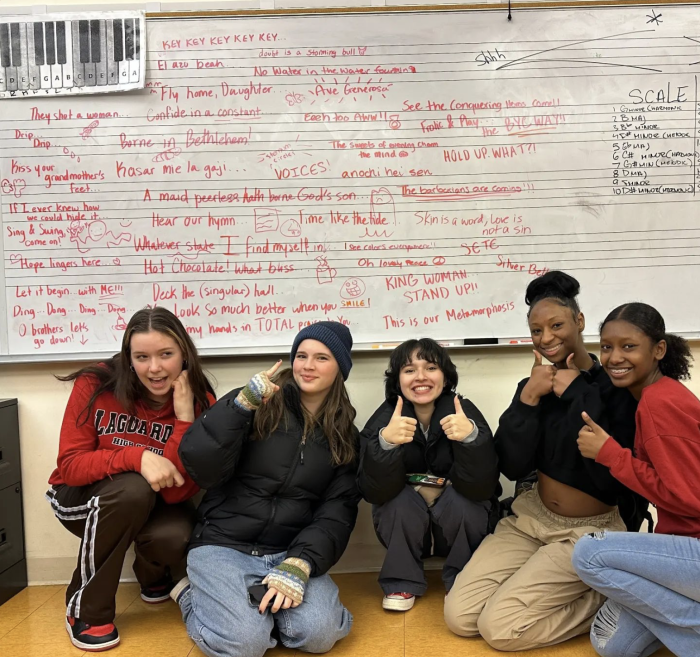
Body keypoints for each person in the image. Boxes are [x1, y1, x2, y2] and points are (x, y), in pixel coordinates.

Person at [444, 271, 639, 651]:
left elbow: (611, 482)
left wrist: (580, 394)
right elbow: (513, 467)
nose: (546, 338)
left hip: (587, 532)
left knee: (499, 630)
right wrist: (528, 400)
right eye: (536, 331)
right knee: (460, 617)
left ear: (579, 322)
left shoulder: (614, 388)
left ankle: (615, 596)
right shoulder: (533, 385)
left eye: (556, 325)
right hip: (531, 519)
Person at [173, 321, 361, 657]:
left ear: (340, 369)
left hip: (288, 549)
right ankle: (192, 596)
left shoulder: (345, 433)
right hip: (223, 543)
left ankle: (258, 612)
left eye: (322, 358)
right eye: (301, 355)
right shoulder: (258, 401)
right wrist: (240, 406)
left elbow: (338, 510)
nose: (307, 365)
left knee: (320, 635)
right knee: (246, 645)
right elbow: (201, 465)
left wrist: (301, 563)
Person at [47, 307, 215, 651]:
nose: (154, 368)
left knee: (177, 531)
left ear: (184, 354)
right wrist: (137, 457)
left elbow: (179, 492)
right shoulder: (96, 382)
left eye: (166, 354)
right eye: (142, 357)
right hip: (79, 499)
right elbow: (71, 466)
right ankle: (85, 610)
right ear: (129, 358)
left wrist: (183, 420)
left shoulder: (199, 401)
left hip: (151, 501)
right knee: (133, 488)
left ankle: (152, 575)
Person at [573, 302, 700, 657]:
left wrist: (611, 454)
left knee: (589, 554)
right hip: (684, 548)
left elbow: (690, 499)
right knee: (611, 643)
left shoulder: (660, 404)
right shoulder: (657, 396)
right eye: (607, 347)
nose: (614, 357)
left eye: (629, 346)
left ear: (658, 350)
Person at [358, 338, 499, 611]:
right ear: (397, 380)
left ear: (445, 377)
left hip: (456, 523)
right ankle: (401, 581)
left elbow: (484, 487)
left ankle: (463, 579)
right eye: (409, 370)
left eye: (431, 367)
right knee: (396, 502)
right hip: (409, 526)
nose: (420, 377)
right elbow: (372, 491)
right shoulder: (385, 418)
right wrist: (385, 445)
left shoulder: (463, 411)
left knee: (466, 501)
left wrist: (471, 439)